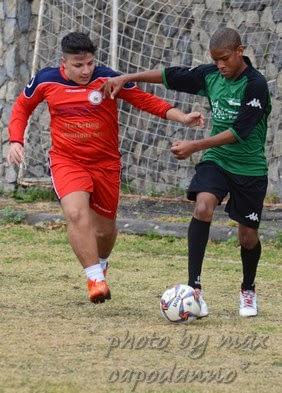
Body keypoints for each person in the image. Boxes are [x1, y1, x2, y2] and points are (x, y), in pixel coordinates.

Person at [7, 32, 204, 304]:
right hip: (67, 160)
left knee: (105, 231)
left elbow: (145, 101)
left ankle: (100, 263)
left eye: (89, 63)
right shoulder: (45, 80)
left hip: (106, 164)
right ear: (63, 63)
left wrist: (182, 116)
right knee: (76, 214)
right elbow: (21, 107)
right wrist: (15, 140)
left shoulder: (108, 79)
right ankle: (95, 279)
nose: (86, 70)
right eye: (78, 65)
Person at [101, 27, 271, 317]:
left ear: (240, 51)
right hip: (217, 159)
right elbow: (171, 76)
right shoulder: (212, 75)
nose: (220, 65)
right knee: (203, 206)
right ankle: (194, 290)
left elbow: (239, 132)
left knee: (247, 237)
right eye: (215, 59)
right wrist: (126, 77)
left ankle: (248, 289)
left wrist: (194, 145)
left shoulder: (255, 84)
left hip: (249, 168)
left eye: (225, 58)